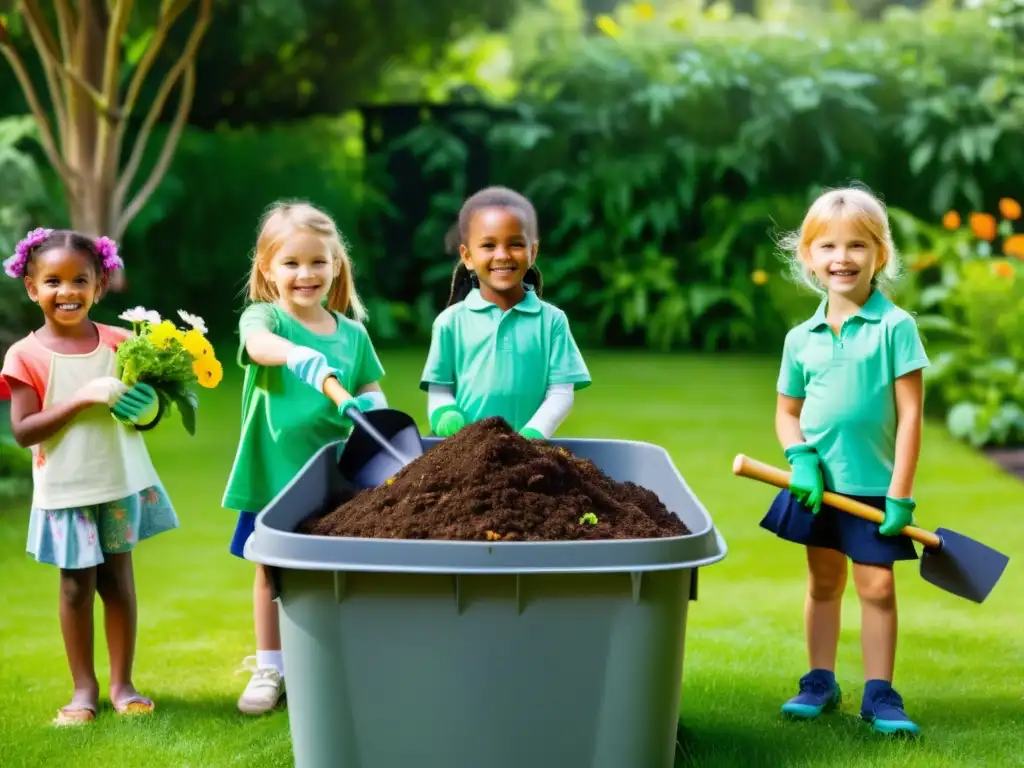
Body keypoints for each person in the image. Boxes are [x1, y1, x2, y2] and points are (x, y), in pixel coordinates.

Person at [761, 186, 929, 736]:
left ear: (880, 254)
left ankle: (880, 693)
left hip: (876, 486)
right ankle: (819, 680)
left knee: (877, 586)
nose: (842, 258)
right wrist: (800, 457)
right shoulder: (800, 339)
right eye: (828, 246)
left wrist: (900, 492)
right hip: (818, 485)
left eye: (857, 245)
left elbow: (910, 417)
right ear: (807, 256)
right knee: (824, 580)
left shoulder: (895, 328)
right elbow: (787, 413)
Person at [1, 228, 179, 726]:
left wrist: (148, 410)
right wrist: (81, 399)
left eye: (80, 280)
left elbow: (144, 415)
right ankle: (84, 689)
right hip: (66, 489)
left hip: (117, 481)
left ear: (100, 285)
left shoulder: (124, 344)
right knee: (77, 587)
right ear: (32, 288)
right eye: (53, 281)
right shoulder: (25, 356)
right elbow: (22, 430)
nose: (67, 291)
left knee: (119, 583)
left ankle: (123, 684)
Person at [222, 201, 388, 715]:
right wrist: (297, 355)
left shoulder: (351, 334)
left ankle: (333, 661)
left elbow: (370, 389)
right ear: (267, 269)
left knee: (335, 570)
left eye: (318, 261)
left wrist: (379, 416)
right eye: (291, 263)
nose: (306, 274)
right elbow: (257, 345)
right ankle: (271, 665)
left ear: (337, 265)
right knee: (270, 570)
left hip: (335, 476)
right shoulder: (266, 318)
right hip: (276, 472)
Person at [421, 186, 591, 439]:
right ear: (467, 256)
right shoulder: (450, 323)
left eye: (515, 244)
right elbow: (439, 390)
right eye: (488, 245)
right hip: (460, 454)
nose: (502, 255)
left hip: (527, 456)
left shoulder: (552, 322)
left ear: (532, 252)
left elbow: (561, 393)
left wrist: (534, 434)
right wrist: (446, 416)